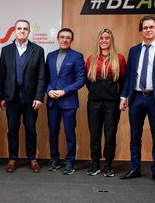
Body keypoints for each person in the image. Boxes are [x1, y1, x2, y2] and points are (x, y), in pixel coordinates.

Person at [119, 16, 155, 185]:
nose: (148, 30)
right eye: (145, 28)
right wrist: (124, 96)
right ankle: (135, 168)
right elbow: (129, 76)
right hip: (136, 98)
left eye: (151, 27)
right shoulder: (134, 50)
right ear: (141, 31)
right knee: (134, 136)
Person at [0, 19, 45, 173]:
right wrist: (3, 97)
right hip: (11, 98)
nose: (22, 31)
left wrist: (39, 97)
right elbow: (2, 75)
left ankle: (32, 159)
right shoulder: (6, 50)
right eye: (19, 28)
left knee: (30, 129)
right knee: (12, 129)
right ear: (14, 31)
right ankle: (12, 159)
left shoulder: (38, 50)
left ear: (29, 31)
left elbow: (41, 76)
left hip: (31, 98)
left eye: (25, 28)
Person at [85, 28, 126, 177]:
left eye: (107, 38)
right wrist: (98, 93)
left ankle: (108, 165)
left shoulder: (119, 59)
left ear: (111, 40)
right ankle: (95, 164)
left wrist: (121, 98)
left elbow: (122, 81)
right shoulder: (91, 59)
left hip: (112, 104)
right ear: (98, 40)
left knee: (110, 135)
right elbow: (88, 82)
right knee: (94, 135)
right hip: (94, 103)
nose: (104, 40)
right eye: (101, 38)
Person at [45, 28, 85, 175]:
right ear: (57, 39)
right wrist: (49, 90)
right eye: (62, 37)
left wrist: (64, 91)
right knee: (52, 133)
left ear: (71, 40)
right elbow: (46, 78)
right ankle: (54, 160)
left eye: (68, 37)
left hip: (69, 102)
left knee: (69, 133)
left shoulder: (77, 56)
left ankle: (69, 162)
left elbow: (81, 80)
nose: (65, 40)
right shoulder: (50, 56)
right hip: (52, 101)